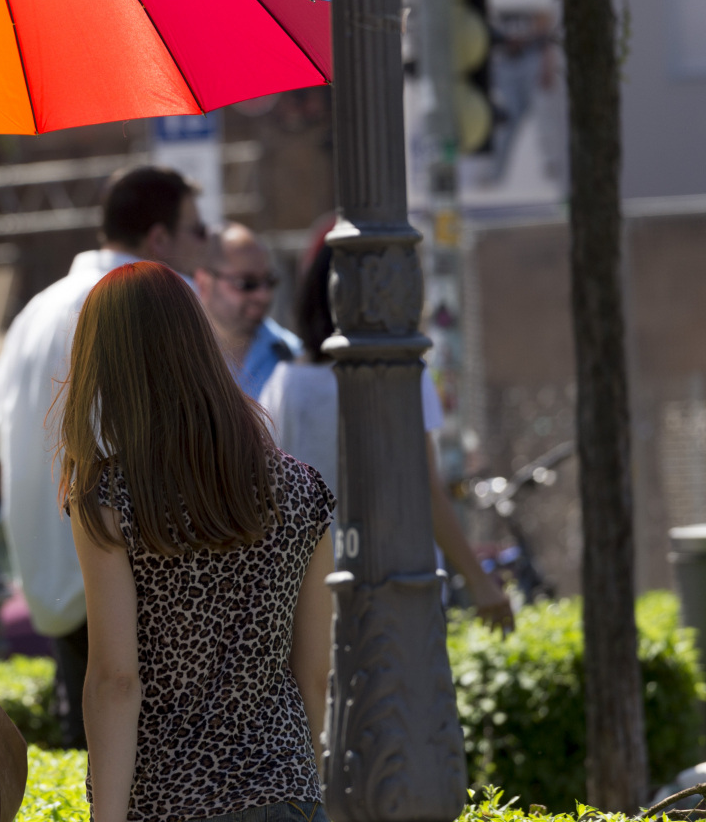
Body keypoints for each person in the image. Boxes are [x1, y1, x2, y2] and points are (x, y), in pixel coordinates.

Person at [61, 260, 334, 822]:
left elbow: (116, 678)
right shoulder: (303, 491)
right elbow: (313, 671)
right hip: (285, 790)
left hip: (167, 801)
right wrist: (305, 782)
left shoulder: (111, 497)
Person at [0, 165, 206, 748]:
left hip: (57, 585)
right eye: (197, 233)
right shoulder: (155, 304)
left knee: (95, 757)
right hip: (142, 581)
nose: (207, 249)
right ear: (158, 237)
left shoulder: (35, 311)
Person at [260, 242, 515, 632]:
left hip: (310, 594)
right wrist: (479, 582)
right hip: (400, 588)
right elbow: (424, 490)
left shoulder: (284, 382)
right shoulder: (403, 375)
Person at [194, 223, 302, 398]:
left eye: (269, 281)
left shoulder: (293, 357)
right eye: (246, 283)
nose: (263, 295)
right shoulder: (179, 357)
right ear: (204, 283)